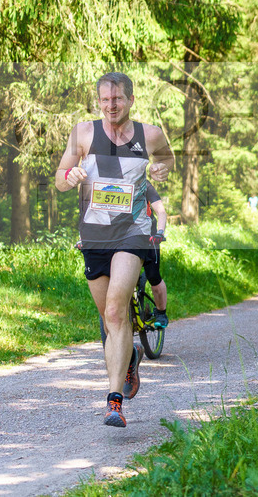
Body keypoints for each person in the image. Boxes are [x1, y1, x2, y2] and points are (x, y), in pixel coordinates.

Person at [55, 72, 174, 428]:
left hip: (132, 232)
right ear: (98, 101)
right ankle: (131, 358)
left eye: (117, 99)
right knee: (110, 322)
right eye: (105, 100)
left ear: (130, 99)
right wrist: (69, 177)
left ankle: (114, 401)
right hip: (93, 235)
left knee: (115, 311)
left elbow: (167, 159)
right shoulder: (83, 132)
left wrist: (162, 168)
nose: (111, 106)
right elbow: (60, 177)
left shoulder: (149, 134)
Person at [144, 182, 169, 329]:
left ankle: (161, 312)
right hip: (120, 238)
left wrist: (160, 232)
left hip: (148, 236)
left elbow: (161, 211)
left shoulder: (145, 185)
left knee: (153, 276)